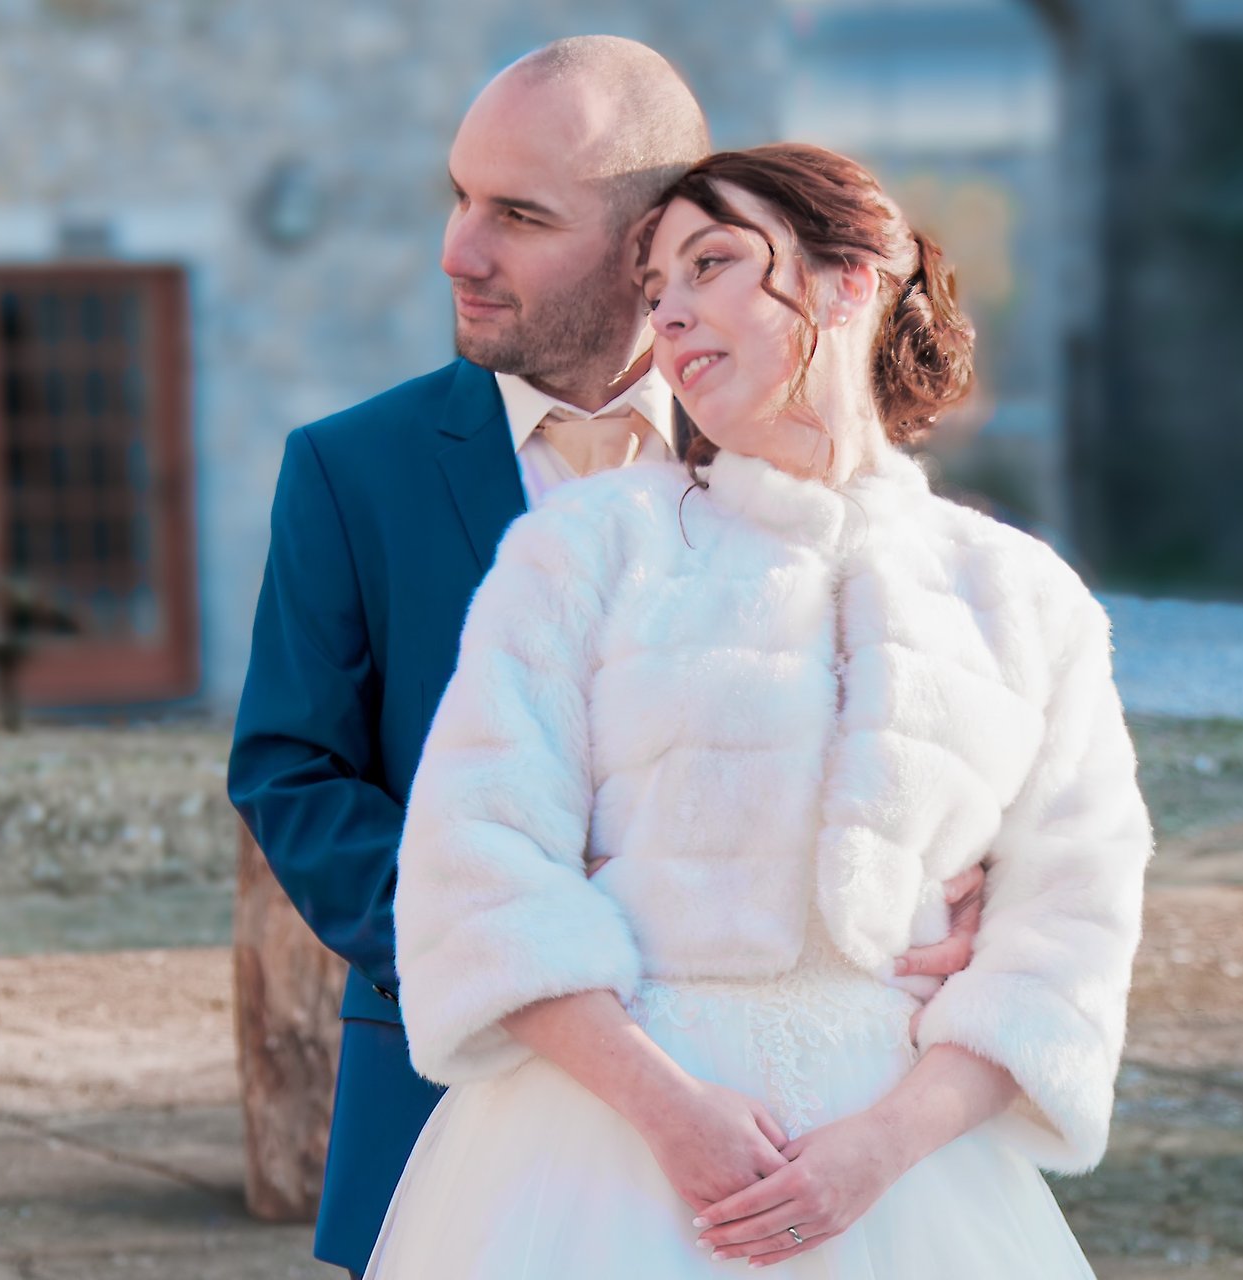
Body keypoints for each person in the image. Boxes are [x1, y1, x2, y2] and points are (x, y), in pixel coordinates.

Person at [228, 38, 984, 1278]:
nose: (457, 251)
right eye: (457, 196)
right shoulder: (347, 470)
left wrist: (972, 878)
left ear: (652, 241)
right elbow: (291, 773)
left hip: (783, 1118)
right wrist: (505, 947)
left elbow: (932, 731)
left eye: (517, 215)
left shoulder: (800, 452)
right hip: (451, 1099)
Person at [365, 142, 1152, 1277]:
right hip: (598, 1159)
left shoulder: (1022, 598)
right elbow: (475, 862)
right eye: (654, 293)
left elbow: (1070, 927)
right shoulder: (585, 552)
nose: (670, 317)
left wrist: (880, 1150)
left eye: (711, 264)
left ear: (850, 281)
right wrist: (672, 1111)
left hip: (908, 1182)